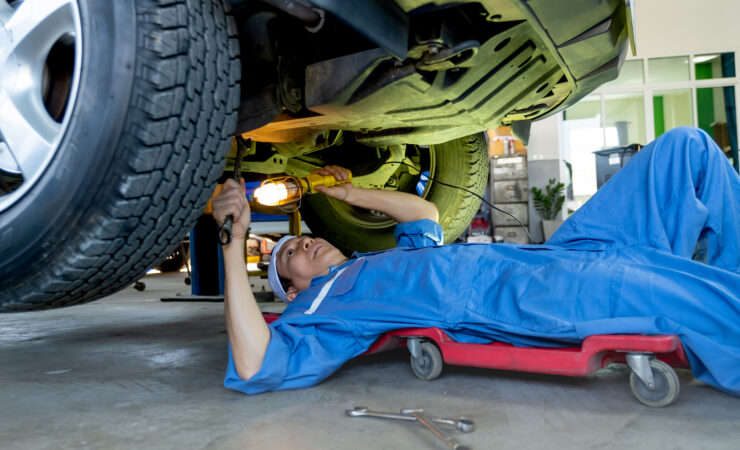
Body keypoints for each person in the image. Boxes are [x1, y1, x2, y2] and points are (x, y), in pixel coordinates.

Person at [212, 127, 740, 396]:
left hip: (556, 253)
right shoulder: (327, 310)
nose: (303, 246)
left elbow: (421, 210)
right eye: (290, 260)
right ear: (296, 294)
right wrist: (235, 243)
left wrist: (347, 195)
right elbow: (257, 363)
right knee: (694, 299)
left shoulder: (380, 262)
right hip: (529, 294)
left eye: (301, 241)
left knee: (684, 150)